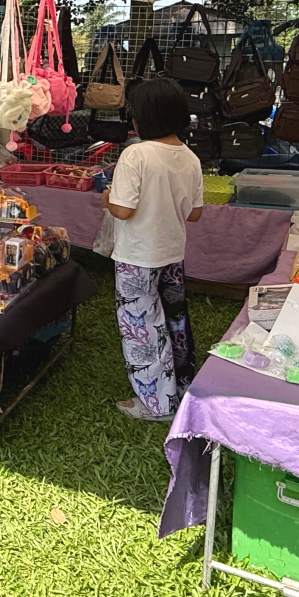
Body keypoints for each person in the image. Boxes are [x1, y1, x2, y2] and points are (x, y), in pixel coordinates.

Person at [101, 77, 204, 422]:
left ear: (144, 116)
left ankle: (155, 403)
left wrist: (107, 198)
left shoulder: (136, 154)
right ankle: (183, 385)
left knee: (142, 326)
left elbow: (123, 210)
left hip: (137, 256)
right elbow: (195, 213)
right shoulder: (190, 157)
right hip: (172, 252)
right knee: (175, 320)